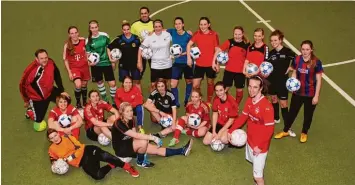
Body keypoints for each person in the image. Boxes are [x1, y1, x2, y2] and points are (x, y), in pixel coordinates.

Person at [111, 102, 193, 168]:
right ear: (122, 113)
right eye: (127, 111)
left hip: (129, 143)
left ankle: (182, 151)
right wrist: (152, 138)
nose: (130, 113)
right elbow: (136, 136)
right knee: (143, 142)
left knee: (155, 148)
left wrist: (148, 139)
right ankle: (140, 162)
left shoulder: (131, 119)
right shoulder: (118, 123)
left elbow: (135, 134)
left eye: (131, 110)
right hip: (121, 150)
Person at [227, 75, 275, 185]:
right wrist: (230, 130)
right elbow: (243, 117)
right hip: (250, 140)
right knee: (256, 169)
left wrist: (261, 146)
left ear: (261, 88)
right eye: (249, 86)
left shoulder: (266, 107)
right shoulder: (249, 100)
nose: (251, 90)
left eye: (255, 87)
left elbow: (270, 130)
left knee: (257, 177)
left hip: (259, 146)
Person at [274, 40, 323, 143]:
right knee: (292, 113)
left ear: (311, 50)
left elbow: (319, 80)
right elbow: (295, 71)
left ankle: (304, 132)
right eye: (303, 49)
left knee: (308, 115)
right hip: (298, 93)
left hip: (310, 93)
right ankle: (285, 130)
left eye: (307, 49)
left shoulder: (316, 62)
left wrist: (316, 96)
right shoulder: (297, 59)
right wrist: (292, 81)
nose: (305, 51)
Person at [47, 129, 139, 180]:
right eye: (51, 138)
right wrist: (56, 165)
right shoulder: (52, 148)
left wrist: (69, 158)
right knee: (98, 176)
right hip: (82, 162)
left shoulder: (67, 137)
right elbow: (52, 158)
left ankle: (127, 166)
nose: (55, 138)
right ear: (50, 140)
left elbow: (79, 147)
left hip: (86, 150)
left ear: (58, 134)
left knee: (105, 156)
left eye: (55, 135)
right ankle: (112, 165)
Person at [20, 49, 67, 131]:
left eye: (46, 57)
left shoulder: (50, 62)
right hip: (38, 99)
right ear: (36, 59)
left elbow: (57, 74)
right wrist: (26, 100)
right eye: (41, 58)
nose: (45, 60)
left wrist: (61, 90)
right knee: (38, 120)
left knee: (66, 99)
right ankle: (30, 111)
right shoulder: (30, 70)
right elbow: (22, 85)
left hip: (50, 90)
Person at [266, 30, 296, 136]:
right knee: (273, 99)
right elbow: (266, 66)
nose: (273, 42)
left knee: (283, 104)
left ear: (280, 40)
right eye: (271, 41)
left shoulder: (287, 51)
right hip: (271, 81)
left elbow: (298, 59)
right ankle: (276, 118)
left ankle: (288, 127)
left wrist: (292, 67)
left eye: (275, 40)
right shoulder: (271, 53)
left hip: (282, 82)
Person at [212, 26, 250, 105]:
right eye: (235, 34)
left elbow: (248, 58)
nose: (237, 36)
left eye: (239, 34)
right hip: (229, 71)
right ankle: (220, 104)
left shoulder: (247, 44)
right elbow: (218, 51)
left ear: (242, 34)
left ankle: (236, 105)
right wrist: (215, 62)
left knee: (239, 90)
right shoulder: (229, 42)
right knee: (224, 89)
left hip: (240, 72)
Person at [187, 17, 219, 106]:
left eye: (205, 24)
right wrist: (189, 58)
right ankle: (198, 99)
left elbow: (217, 49)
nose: (203, 26)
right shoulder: (197, 34)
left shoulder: (214, 34)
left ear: (209, 25)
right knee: (195, 85)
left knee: (210, 83)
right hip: (199, 64)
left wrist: (217, 63)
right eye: (201, 24)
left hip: (210, 64)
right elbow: (189, 45)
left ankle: (209, 101)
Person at [86, 20, 117, 107]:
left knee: (112, 84)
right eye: (92, 28)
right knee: (100, 83)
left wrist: (112, 61)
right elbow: (88, 54)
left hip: (106, 63)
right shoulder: (88, 40)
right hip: (96, 66)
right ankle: (105, 100)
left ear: (98, 27)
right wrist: (90, 62)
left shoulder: (104, 36)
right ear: (90, 29)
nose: (94, 29)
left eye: (96, 27)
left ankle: (114, 101)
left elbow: (109, 48)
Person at [138, 19, 173, 92]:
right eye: (156, 27)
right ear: (153, 28)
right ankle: (152, 100)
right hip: (155, 65)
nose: (157, 28)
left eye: (159, 26)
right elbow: (140, 49)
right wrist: (139, 61)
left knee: (167, 84)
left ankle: (167, 101)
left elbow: (176, 32)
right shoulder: (149, 37)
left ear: (162, 27)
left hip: (167, 64)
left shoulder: (167, 34)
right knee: (153, 85)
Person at [108, 21, 142, 90]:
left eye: (128, 29)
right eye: (124, 30)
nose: (126, 31)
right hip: (123, 65)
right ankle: (124, 99)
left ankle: (139, 99)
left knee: (137, 82)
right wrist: (111, 59)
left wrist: (140, 62)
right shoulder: (119, 39)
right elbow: (108, 47)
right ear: (122, 30)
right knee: (124, 83)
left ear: (130, 29)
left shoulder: (136, 38)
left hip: (134, 64)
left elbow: (140, 50)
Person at [167, 17, 193, 108]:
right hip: (177, 63)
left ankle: (186, 100)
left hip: (187, 62)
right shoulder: (172, 31)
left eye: (179, 23)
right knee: (173, 84)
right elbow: (161, 30)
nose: (177, 25)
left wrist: (183, 53)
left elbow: (193, 48)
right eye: (176, 24)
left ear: (183, 24)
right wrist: (152, 31)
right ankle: (176, 102)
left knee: (189, 81)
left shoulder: (188, 35)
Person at [63, 26, 90, 109]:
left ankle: (84, 101)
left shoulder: (83, 41)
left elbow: (88, 52)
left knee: (84, 85)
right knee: (78, 85)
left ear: (78, 33)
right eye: (72, 33)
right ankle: (78, 102)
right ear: (69, 35)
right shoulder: (67, 45)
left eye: (75, 33)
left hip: (84, 67)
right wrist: (69, 72)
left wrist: (89, 59)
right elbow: (65, 59)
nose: (74, 35)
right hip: (75, 69)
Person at [131, 6, 154, 79]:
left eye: (145, 13)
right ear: (140, 14)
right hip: (140, 51)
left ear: (148, 13)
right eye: (142, 13)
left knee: (155, 73)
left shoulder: (153, 23)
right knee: (138, 74)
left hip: (153, 51)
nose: (144, 15)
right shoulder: (135, 25)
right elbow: (131, 38)